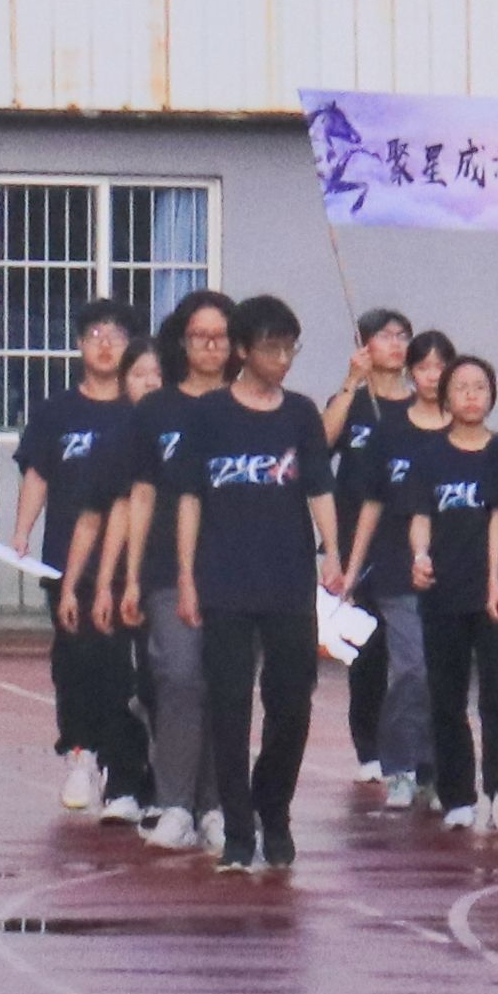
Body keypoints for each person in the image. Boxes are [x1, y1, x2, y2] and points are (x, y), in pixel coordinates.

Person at [174, 297, 339, 875]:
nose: (283, 359)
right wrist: (187, 576)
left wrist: (333, 552)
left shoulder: (300, 414)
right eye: (272, 348)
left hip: (289, 578)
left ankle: (275, 806)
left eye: (291, 348)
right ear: (242, 350)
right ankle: (238, 829)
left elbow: (318, 487)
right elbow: (190, 498)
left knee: (292, 701)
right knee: (228, 704)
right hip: (224, 578)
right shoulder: (209, 415)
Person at [10, 297, 148, 816]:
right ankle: (80, 753)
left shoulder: (140, 410)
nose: (105, 345)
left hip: (131, 565)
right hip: (66, 562)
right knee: (76, 660)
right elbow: (37, 475)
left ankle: (123, 770)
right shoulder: (56, 412)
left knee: (122, 666)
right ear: (78, 345)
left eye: (117, 335)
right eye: (95, 335)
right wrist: (21, 533)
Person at [112, 290, 238, 852]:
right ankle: (175, 804)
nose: (211, 346)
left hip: (235, 568)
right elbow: (140, 495)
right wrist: (131, 575)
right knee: (180, 677)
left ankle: (215, 805)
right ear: (182, 341)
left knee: (223, 685)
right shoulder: (156, 411)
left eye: (221, 336)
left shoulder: (245, 406)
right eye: (199, 336)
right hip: (166, 566)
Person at [410, 356, 498, 830]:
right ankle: (457, 796)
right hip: (443, 594)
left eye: (480, 386)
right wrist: (420, 556)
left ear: (492, 394)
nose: (470, 395)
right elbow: (420, 516)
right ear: (446, 395)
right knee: (447, 698)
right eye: (461, 386)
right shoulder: (429, 456)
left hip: (493, 596)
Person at [335, 330, 454, 812]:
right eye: (424, 367)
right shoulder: (391, 430)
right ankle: (399, 765)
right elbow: (371, 503)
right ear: (412, 372)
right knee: (411, 666)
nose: (433, 376)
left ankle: (434, 768)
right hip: (394, 566)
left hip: (453, 569)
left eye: (441, 367)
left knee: (441, 675)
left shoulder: (466, 430)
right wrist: (352, 568)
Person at [324, 312, 422, 782]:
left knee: (413, 653)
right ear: (364, 344)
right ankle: (369, 748)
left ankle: (410, 746)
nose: (396, 344)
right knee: (368, 648)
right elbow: (320, 446)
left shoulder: (420, 405)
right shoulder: (353, 403)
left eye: (402, 336)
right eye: (385, 336)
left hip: (408, 540)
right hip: (357, 541)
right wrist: (351, 382)